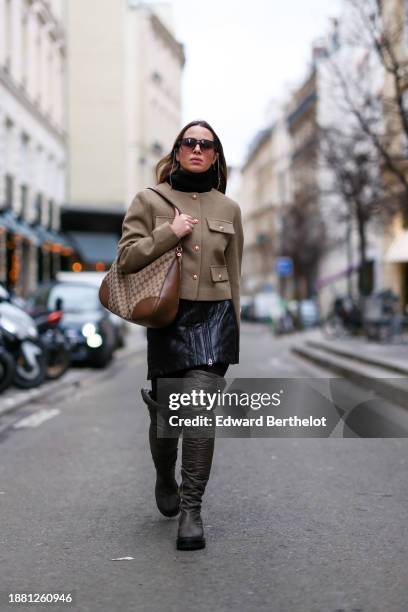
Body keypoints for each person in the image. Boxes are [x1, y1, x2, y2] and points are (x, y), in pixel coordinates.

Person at [116, 119, 244, 550]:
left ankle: (192, 510)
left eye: (206, 145)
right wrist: (170, 231)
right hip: (168, 319)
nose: (197, 149)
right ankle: (163, 477)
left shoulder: (229, 209)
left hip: (214, 319)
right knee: (168, 418)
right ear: (176, 151)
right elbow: (128, 259)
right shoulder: (149, 200)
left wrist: (235, 327)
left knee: (200, 415)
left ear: (215, 156)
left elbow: (237, 275)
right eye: (189, 142)